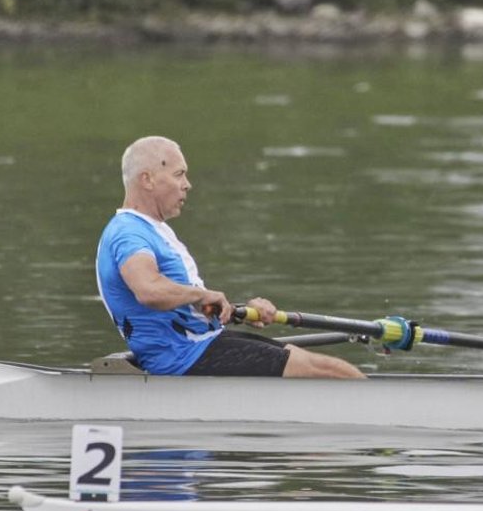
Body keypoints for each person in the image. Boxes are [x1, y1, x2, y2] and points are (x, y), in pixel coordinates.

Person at [94, 136, 361, 378]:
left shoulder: (151, 229)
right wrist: (202, 295)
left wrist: (235, 311)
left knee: (323, 366)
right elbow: (148, 291)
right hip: (183, 358)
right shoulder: (128, 233)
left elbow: (181, 306)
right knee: (330, 371)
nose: (187, 185)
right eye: (179, 175)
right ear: (147, 179)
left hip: (200, 344)